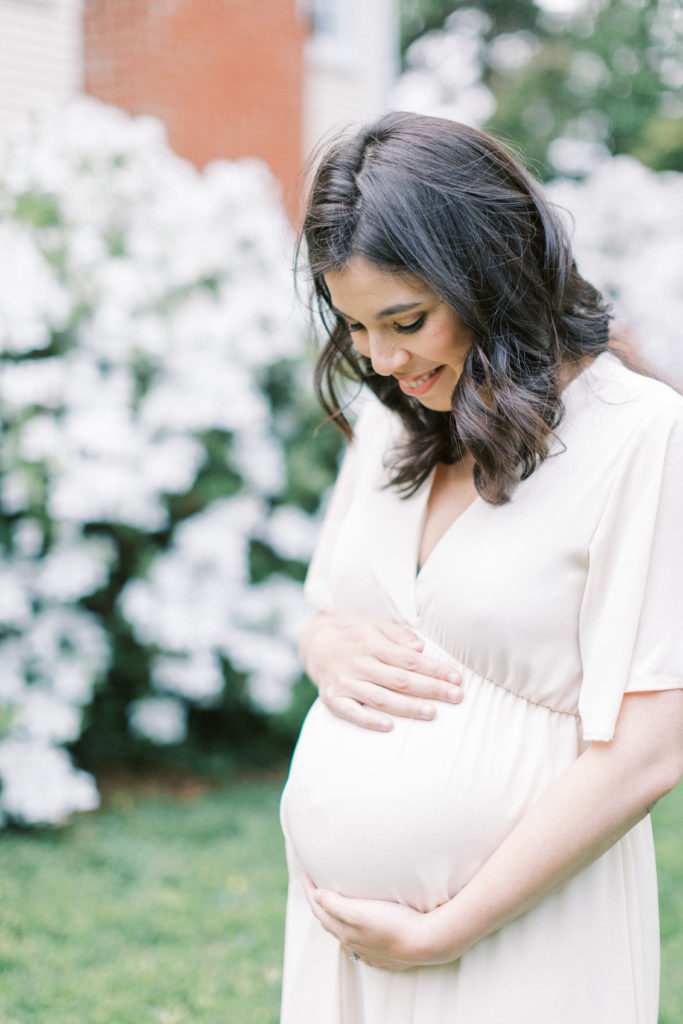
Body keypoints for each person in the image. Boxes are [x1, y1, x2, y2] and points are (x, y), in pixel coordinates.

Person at [279, 111, 683, 1024]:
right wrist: (325, 652)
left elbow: (649, 748)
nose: (381, 361)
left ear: (489, 277)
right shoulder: (392, 418)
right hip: (342, 944)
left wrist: (447, 927)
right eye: (355, 327)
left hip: (522, 936)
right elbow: (323, 616)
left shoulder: (639, 437)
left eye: (406, 321)